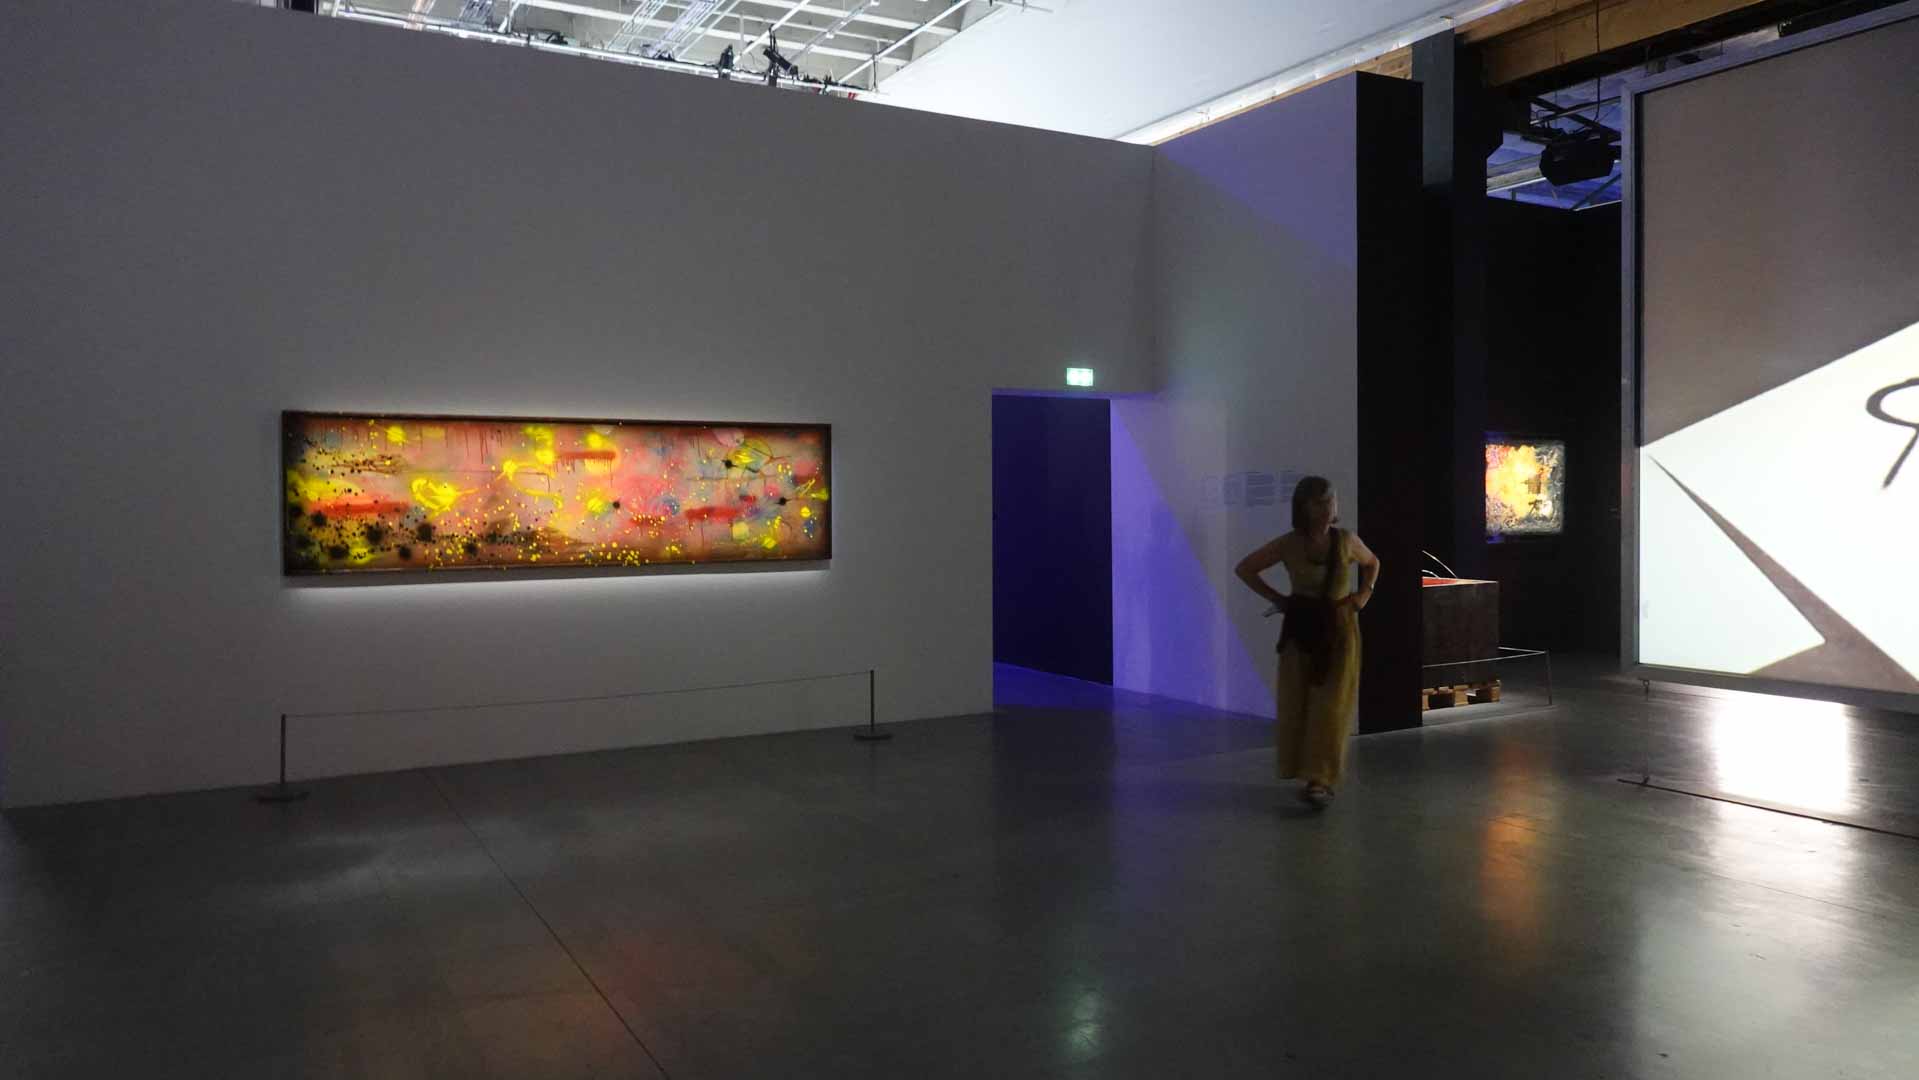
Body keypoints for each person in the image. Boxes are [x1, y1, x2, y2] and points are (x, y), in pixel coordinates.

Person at [1233, 476, 1380, 809]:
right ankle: (1305, 771)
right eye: (1319, 502)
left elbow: (1373, 563)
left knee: (1331, 706)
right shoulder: (1289, 544)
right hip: (1301, 630)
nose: (1327, 507)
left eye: (1330, 500)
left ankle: (1320, 779)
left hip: (1338, 630)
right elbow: (1245, 568)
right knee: (1298, 702)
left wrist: (1363, 595)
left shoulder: (1346, 541)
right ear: (1303, 507)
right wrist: (1279, 599)